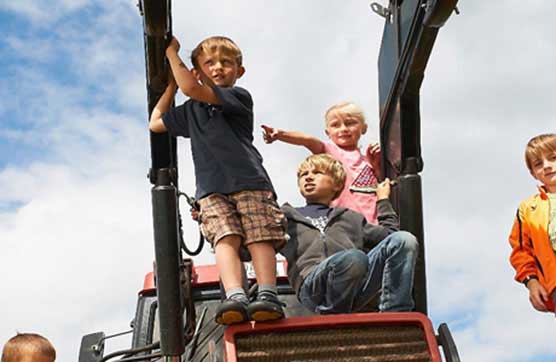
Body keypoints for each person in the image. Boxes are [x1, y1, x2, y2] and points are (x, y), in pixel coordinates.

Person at [149, 35, 286, 325]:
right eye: (209, 62)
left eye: (226, 62)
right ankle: (236, 295)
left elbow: (191, 88)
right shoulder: (190, 110)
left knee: (260, 235)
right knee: (225, 238)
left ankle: (267, 293)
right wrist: (172, 88)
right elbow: (156, 122)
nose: (219, 67)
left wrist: (172, 54)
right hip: (210, 189)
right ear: (197, 71)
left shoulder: (238, 97)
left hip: (249, 180)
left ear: (240, 71)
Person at [280, 154, 418, 314]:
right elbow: (257, 246)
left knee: (405, 239)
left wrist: (383, 200)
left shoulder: (351, 218)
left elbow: (392, 237)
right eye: (304, 175)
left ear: (337, 185)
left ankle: (395, 312)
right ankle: (331, 312)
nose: (309, 178)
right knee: (354, 258)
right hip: (313, 285)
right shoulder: (286, 216)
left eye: (317, 173)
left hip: (354, 287)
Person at [262, 101, 382, 224]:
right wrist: (281, 134)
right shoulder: (330, 152)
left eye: (350, 123)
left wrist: (376, 165)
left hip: (373, 225)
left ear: (364, 128)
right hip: (343, 225)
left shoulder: (369, 160)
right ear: (327, 133)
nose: (344, 129)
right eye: (336, 125)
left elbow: (383, 185)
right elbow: (307, 140)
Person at [509, 133, 556, 314]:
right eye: (538, 164)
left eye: (553, 158)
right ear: (533, 173)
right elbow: (521, 251)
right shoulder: (528, 209)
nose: (547, 166)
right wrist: (532, 282)